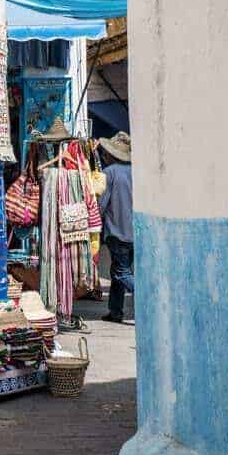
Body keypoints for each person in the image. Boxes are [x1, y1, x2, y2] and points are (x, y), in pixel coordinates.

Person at [97, 132, 133, 322]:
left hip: (117, 231)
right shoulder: (135, 171)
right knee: (118, 270)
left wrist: (94, 222)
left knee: (121, 273)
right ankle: (115, 311)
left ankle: (143, 295)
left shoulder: (109, 173)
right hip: (134, 232)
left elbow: (102, 204)